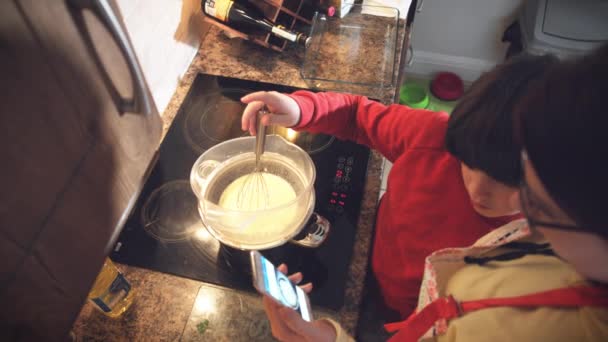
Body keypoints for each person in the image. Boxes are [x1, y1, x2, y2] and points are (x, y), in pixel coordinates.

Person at [250, 45, 608, 341]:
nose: (480, 190)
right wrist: (300, 109)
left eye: (513, 183)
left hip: (413, 314)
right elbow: (358, 114)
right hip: (378, 268)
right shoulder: (434, 136)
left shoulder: (534, 244)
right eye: (468, 163)